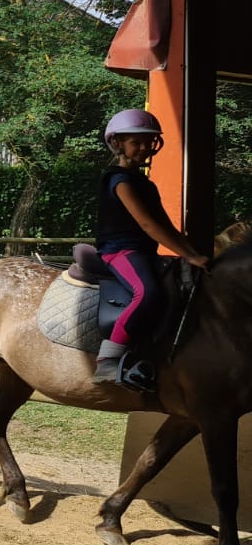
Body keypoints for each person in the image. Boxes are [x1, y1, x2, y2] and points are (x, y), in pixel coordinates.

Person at [92, 109, 210, 387]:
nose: (145, 148)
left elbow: (166, 227)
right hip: (119, 251)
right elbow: (148, 226)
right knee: (148, 292)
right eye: (137, 142)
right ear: (118, 143)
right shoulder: (119, 180)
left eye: (149, 142)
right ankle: (107, 360)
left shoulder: (144, 183)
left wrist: (192, 253)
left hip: (143, 252)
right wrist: (189, 255)